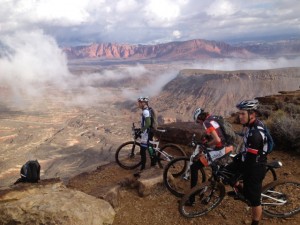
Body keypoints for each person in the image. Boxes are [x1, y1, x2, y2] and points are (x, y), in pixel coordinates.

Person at [226, 99, 267, 225]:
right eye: (240, 113)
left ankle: (255, 222)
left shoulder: (255, 135)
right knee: (227, 172)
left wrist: (240, 172)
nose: (240, 116)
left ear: (252, 114)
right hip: (247, 159)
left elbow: (250, 161)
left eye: (243, 114)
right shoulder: (249, 126)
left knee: (255, 201)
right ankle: (241, 189)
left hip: (255, 166)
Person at [187, 107, 233, 205]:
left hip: (221, 149)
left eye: (198, 121)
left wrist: (207, 144)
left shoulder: (206, 123)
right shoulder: (213, 118)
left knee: (194, 167)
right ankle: (212, 189)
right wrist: (207, 139)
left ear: (200, 118)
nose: (199, 123)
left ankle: (191, 200)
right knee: (215, 168)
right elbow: (217, 132)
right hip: (228, 146)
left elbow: (217, 140)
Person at [136, 96, 157, 172]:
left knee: (142, 150)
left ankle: (143, 167)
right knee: (150, 147)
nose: (138, 104)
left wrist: (141, 130)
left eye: (139, 103)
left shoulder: (145, 111)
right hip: (148, 133)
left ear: (143, 103)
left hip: (146, 134)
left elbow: (148, 123)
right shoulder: (147, 110)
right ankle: (153, 162)